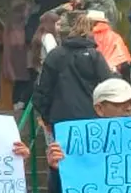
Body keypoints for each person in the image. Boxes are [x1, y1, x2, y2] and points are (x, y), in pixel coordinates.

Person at [33, 13, 115, 141]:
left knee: (64, 157)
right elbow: (110, 87)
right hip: (93, 117)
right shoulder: (95, 56)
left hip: (60, 118)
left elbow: (43, 90)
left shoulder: (54, 55)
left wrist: (47, 117)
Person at [1, 2, 33, 110]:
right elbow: (9, 46)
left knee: (26, 82)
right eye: (26, 11)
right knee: (19, 82)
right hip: (16, 57)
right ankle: (17, 105)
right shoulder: (11, 25)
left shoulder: (26, 25)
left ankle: (21, 104)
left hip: (24, 57)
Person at [88, 10, 131, 78]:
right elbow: (122, 56)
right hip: (113, 71)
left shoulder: (87, 36)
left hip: (93, 72)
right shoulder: (114, 36)